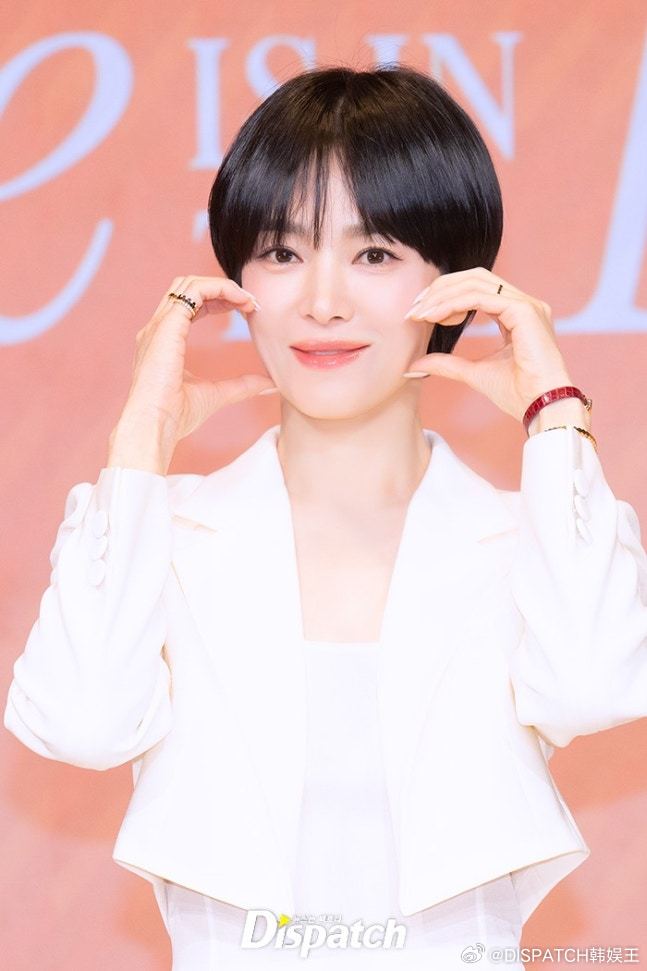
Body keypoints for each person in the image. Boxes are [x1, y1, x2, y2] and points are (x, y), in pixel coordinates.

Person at [5, 64, 647, 970]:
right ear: (237, 278)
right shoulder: (167, 534)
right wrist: (138, 440)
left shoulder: (527, 537)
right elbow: (80, 722)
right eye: (281, 252)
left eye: (373, 254)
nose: (321, 300)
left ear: (456, 282)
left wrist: (557, 414)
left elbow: (595, 685)